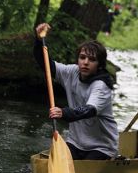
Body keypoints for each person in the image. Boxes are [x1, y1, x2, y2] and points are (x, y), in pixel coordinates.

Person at [34, 22, 119, 160]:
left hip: (102, 147)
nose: (85, 62)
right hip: (75, 142)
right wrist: (38, 41)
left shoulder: (101, 86)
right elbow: (47, 65)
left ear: (100, 65)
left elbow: (88, 110)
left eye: (92, 59)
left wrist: (63, 112)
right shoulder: (72, 72)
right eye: (82, 57)